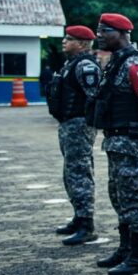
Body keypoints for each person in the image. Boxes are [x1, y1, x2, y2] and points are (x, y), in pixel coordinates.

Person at [86, 13, 138, 272]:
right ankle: (125, 248)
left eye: (105, 30)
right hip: (116, 141)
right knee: (118, 194)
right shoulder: (116, 63)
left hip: (132, 141)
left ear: (123, 33)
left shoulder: (136, 64)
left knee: (131, 196)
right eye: (99, 30)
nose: (99, 35)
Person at [47, 26, 101, 245]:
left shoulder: (85, 66)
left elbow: (94, 97)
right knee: (70, 172)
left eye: (69, 39)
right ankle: (79, 217)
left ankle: (87, 224)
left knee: (79, 172)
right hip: (68, 124)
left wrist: (89, 123)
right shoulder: (70, 65)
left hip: (79, 125)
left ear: (82, 44)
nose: (64, 41)